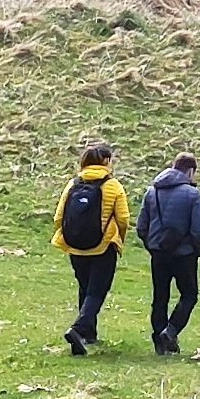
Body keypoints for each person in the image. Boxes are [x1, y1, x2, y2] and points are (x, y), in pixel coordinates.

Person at [53, 142, 134, 356]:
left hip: (75, 247)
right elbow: (124, 218)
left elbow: (58, 216)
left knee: (85, 287)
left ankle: (89, 334)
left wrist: (69, 236)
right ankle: (79, 330)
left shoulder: (72, 184)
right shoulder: (113, 186)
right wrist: (117, 239)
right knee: (97, 291)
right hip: (103, 246)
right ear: (106, 161)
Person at [137, 152, 200, 356]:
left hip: (158, 253)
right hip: (184, 254)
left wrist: (152, 245)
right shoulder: (193, 195)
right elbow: (198, 229)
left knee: (160, 296)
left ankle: (159, 338)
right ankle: (171, 330)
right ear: (190, 171)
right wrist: (197, 250)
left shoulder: (152, 192)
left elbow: (142, 226)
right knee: (189, 294)